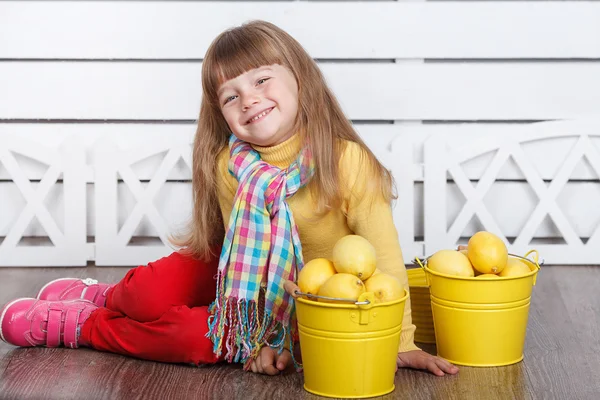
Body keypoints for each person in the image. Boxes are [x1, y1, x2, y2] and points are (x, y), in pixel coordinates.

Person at [0, 20, 458, 377]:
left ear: (300, 78)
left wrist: (399, 344)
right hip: (239, 277)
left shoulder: (348, 162)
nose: (249, 100)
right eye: (230, 95)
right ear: (220, 112)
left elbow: (387, 261)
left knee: (195, 341)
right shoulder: (230, 166)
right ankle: (104, 298)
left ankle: (84, 327)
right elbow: (240, 261)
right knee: (145, 293)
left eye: (261, 80)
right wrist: (251, 328)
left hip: (314, 302)